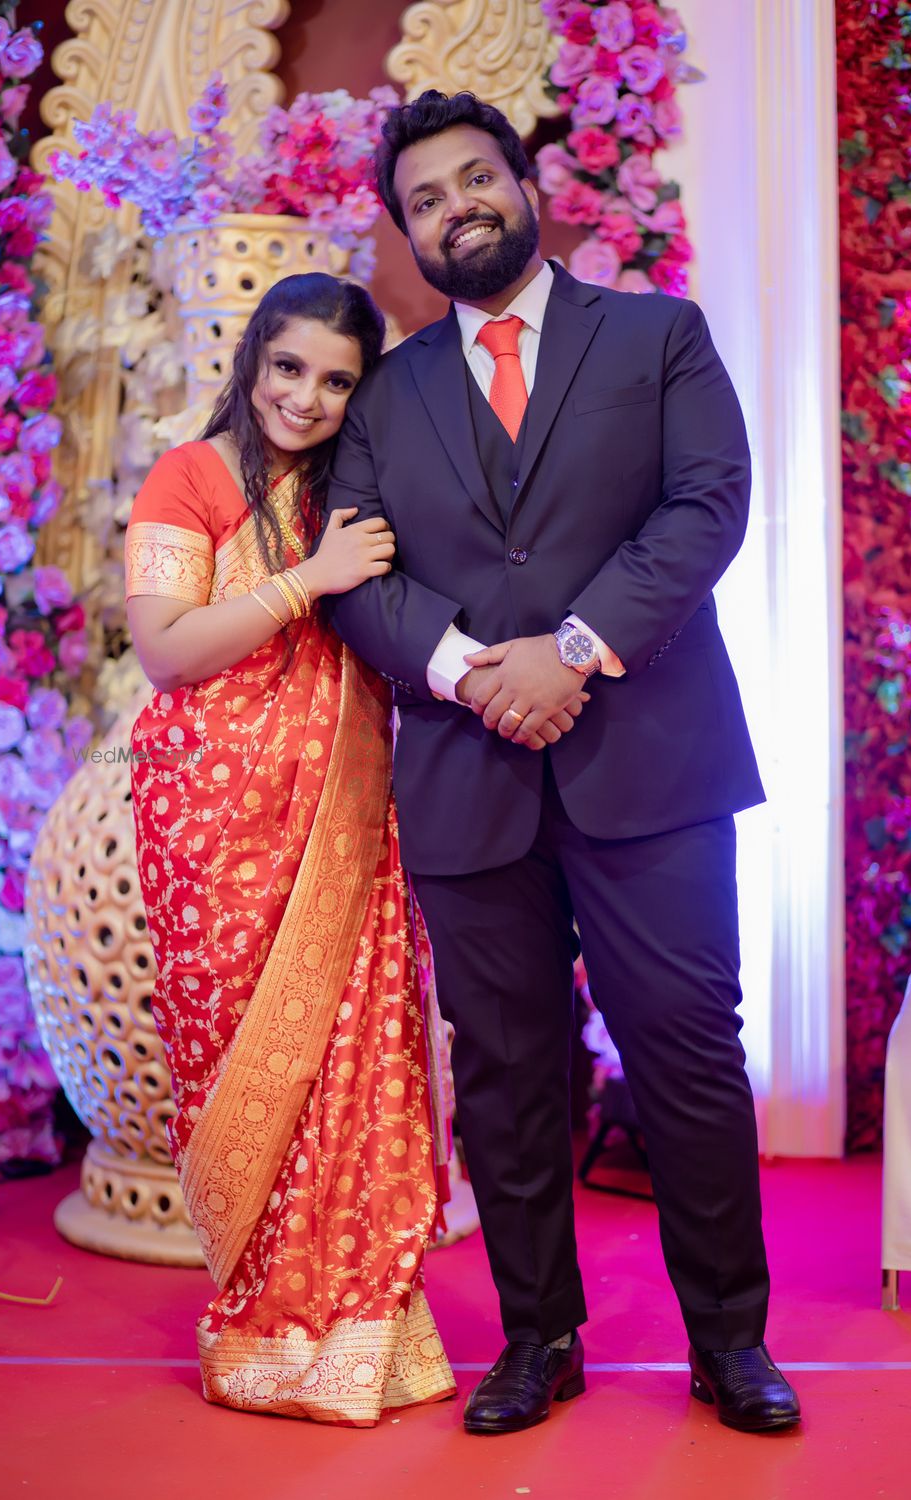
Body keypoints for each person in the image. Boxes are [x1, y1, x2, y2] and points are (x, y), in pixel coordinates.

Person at [320, 91, 802, 1435]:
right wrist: (472, 668)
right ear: (407, 234)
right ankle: (538, 1340)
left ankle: (730, 1342)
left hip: (654, 763)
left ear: (526, 186)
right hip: (467, 771)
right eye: (424, 200)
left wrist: (574, 650)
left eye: (475, 179)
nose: (455, 209)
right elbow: (357, 568)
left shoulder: (658, 336)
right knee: (505, 1074)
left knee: (688, 1056)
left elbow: (707, 504)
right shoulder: (387, 392)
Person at [124, 272, 456, 1426]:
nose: (305, 399)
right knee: (238, 1070)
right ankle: (261, 1330)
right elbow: (167, 651)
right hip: (208, 829)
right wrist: (309, 579)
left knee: (351, 1071)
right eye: (289, 367)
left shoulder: (357, 493)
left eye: (335, 381)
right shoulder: (190, 475)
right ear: (254, 358)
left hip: (340, 817)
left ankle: (357, 1332)